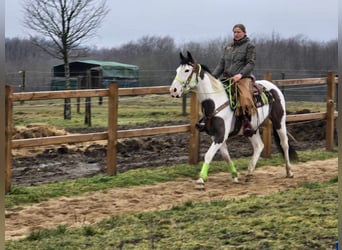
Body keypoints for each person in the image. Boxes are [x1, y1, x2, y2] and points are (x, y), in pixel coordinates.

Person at [212, 23, 257, 136]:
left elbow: (251, 63)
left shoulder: (249, 46)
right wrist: (213, 77)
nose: (236, 34)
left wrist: (241, 74)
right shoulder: (228, 47)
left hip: (242, 78)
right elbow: (221, 64)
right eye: (234, 32)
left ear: (244, 33)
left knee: (244, 97)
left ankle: (247, 123)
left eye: (238, 32)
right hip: (227, 78)